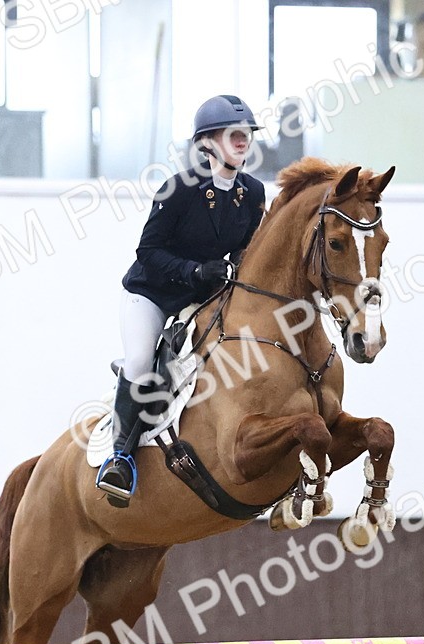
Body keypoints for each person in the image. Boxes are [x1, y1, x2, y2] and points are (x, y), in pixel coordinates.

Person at [96, 94, 267, 507]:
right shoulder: (178, 190)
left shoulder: (254, 192)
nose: (243, 140)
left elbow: (246, 250)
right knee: (139, 361)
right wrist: (194, 271)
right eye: (233, 134)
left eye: (246, 134)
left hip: (202, 301)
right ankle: (119, 458)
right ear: (208, 143)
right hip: (152, 296)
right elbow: (148, 252)